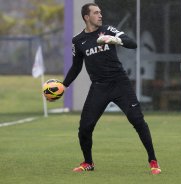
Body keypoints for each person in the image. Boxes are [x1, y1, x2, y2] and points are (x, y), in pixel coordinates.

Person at [62, 3, 161, 174]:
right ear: (86, 17)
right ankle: (88, 163)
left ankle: (153, 161)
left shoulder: (108, 30)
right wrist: (64, 86)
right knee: (85, 127)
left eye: (100, 12)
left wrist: (116, 40)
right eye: (96, 13)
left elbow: (133, 43)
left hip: (120, 84)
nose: (100, 15)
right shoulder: (78, 41)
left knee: (138, 121)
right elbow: (76, 67)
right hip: (99, 87)